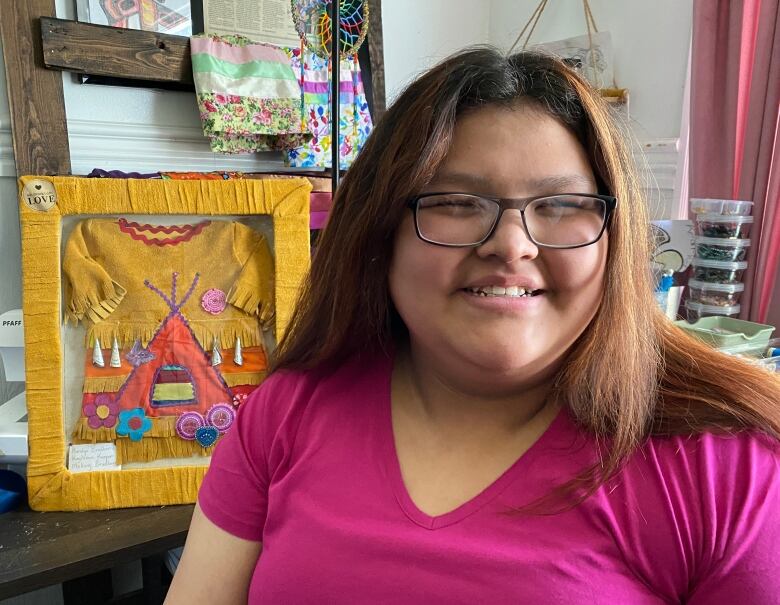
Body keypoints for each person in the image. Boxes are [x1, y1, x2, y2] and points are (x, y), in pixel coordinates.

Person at [165, 47, 780, 604]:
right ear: (380, 234)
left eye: (561, 206)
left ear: (613, 240)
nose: (511, 246)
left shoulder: (729, 471)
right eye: (457, 203)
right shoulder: (285, 412)